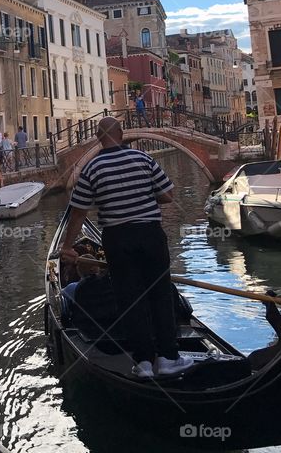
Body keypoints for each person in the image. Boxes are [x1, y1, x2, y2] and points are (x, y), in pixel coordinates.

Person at [59, 116, 193, 379]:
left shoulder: (91, 168)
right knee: (160, 294)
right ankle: (167, 357)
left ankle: (143, 363)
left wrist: (67, 247)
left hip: (117, 239)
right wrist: (143, 195)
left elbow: (77, 213)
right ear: (121, 134)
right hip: (149, 235)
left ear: (98, 137)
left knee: (130, 300)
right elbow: (167, 195)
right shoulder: (144, 160)